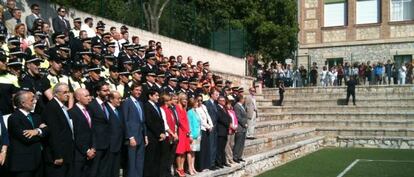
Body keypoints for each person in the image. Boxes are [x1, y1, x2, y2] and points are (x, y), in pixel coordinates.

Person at [7, 91, 46, 177]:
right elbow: (27, 138)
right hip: (23, 164)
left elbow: (48, 131)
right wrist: (41, 131)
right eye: (32, 100)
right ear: (23, 103)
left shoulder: (36, 116)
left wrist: (37, 131)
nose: (34, 102)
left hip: (38, 161)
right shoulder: (14, 118)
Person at [42, 83, 74, 177]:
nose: (68, 94)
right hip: (57, 156)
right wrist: (58, 155)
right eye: (65, 92)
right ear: (55, 94)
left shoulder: (62, 107)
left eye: (68, 92)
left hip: (66, 153)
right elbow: (54, 133)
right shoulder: (52, 107)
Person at [69, 88, 95, 177]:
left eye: (89, 95)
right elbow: (75, 134)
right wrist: (86, 150)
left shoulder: (90, 110)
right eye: (86, 96)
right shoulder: (72, 112)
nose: (89, 98)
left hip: (91, 152)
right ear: (78, 98)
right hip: (79, 153)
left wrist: (93, 148)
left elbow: (93, 131)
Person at [122, 83, 146, 177]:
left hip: (140, 135)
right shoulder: (127, 102)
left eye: (140, 90)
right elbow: (125, 120)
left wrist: (145, 135)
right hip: (132, 136)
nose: (138, 92)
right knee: (132, 162)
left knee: (140, 161)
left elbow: (142, 121)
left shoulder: (140, 103)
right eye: (136, 90)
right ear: (131, 90)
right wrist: (130, 137)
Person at [87, 81, 111, 177]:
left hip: (107, 143)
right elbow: (90, 126)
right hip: (97, 145)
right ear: (97, 92)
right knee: (94, 171)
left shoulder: (107, 105)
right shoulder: (92, 105)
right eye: (105, 91)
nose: (108, 93)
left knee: (104, 171)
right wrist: (93, 145)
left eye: (108, 90)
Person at [143, 89, 166, 177]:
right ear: (150, 96)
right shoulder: (147, 106)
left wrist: (163, 132)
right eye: (156, 95)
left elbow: (161, 121)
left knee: (157, 158)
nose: (158, 97)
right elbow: (149, 122)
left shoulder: (156, 106)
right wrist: (158, 133)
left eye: (158, 95)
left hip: (160, 136)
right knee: (150, 159)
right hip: (152, 136)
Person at [106, 91, 125, 177]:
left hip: (118, 145)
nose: (120, 101)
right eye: (118, 99)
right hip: (109, 145)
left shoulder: (119, 110)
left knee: (115, 170)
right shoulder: (106, 109)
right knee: (108, 169)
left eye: (120, 98)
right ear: (111, 99)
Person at [159, 94, 178, 177]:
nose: (172, 102)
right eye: (170, 100)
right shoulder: (162, 109)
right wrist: (172, 133)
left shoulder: (170, 110)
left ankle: (168, 172)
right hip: (167, 135)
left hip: (173, 135)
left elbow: (174, 122)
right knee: (165, 156)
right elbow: (165, 124)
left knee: (171, 156)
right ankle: (164, 174)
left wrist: (175, 132)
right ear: (166, 101)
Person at [194, 95, 213, 171]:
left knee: (206, 147)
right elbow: (200, 120)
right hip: (201, 129)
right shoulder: (196, 109)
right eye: (198, 100)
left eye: (201, 100)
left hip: (206, 129)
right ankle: (200, 166)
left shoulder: (203, 107)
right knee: (201, 148)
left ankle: (206, 165)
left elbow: (207, 116)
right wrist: (208, 126)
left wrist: (211, 125)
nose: (200, 102)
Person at [175, 93, 191, 177]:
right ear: (180, 99)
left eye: (186, 99)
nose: (185, 101)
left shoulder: (184, 108)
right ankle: (179, 168)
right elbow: (180, 121)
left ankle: (182, 168)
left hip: (186, 132)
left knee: (184, 151)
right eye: (184, 99)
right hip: (181, 131)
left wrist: (188, 130)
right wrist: (186, 129)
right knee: (180, 151)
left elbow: (186, 120)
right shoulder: (177, 107)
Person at [203, 89, 219, 169]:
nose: (217, 96)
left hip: (215, 128)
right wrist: (209, 126)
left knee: (214, 145)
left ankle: (213, 162)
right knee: (210, 145)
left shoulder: (215, 104)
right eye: (216, 94)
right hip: (210, 128)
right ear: (212, 95)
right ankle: (210, 164)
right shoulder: (206, 103)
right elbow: (205, 116)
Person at [187, 98, 202, 175]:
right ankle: (189, 168)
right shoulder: (189, 112)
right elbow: (189, 124)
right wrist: (190, 135)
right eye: (196, 102)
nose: (197, 103)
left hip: (198, 134)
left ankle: (193, 167)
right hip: (193, 134)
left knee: (194, 152)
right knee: (190, 152)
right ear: (192, 103)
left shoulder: (196, 111)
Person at [216, 96, 231, 168]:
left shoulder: (224, 108)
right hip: (220, 130)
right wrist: (228, 124)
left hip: (225, 130)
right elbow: (220, 118)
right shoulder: (217, 108)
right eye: (222, 100)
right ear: (218, 101)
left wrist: (230, 122)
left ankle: (223, 161)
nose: (223, 102)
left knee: (223, 147)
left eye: (224, 100)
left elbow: (229, 117)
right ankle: (219, 163)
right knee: (219, 147)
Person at [233, 96, 247, 163]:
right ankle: (235, 156)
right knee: (238, 143)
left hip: (243, 128)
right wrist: (244, 124)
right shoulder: (237, 106)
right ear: (240, 99)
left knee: (242, 143)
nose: (244, 100)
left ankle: (239, 156)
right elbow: (238, 117)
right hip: (240, 127)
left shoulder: (242, 106)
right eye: (243, 98)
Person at [224, 100, 237, 165]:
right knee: (227, 145)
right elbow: (227, 121)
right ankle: (228, 159)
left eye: (230, 104)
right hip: (229, 130)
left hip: (234, 130)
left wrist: (235, 126)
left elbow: (235, 119)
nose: (229, 105)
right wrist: (231, 127)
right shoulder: (225, 112)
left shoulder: (232, 111)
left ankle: (230, 158)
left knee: (232, 144)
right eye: (228, 104)